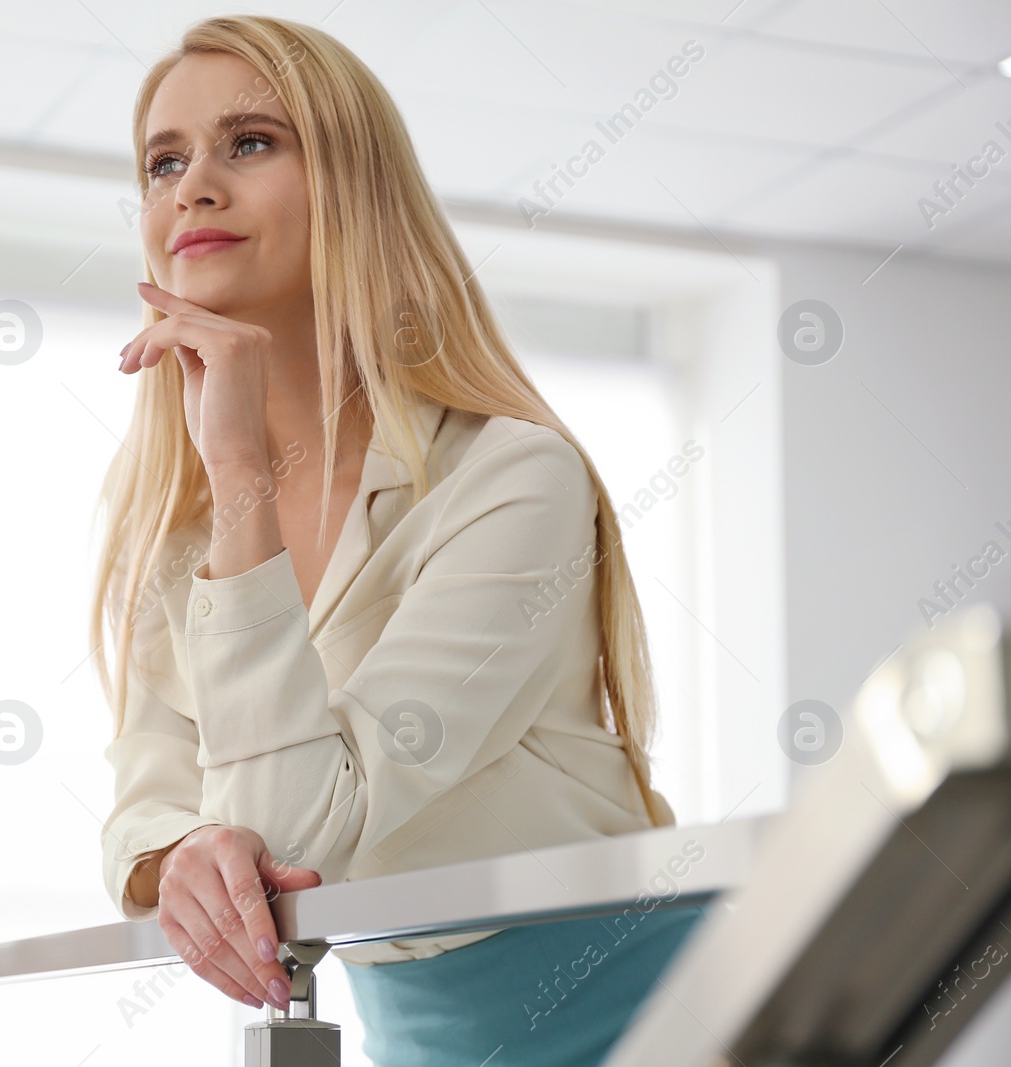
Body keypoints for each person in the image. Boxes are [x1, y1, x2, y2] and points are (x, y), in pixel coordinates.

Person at [91, 14, 704, 1065]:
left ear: (352, 187)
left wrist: (240, 469)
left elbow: (299, 842)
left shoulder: (511, 476)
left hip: (665, 1018)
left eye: (249, 143)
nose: (190, 186)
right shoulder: (180, 532)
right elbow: (148, 808)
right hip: (418, 1033)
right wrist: (184, 852)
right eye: (163, 161)